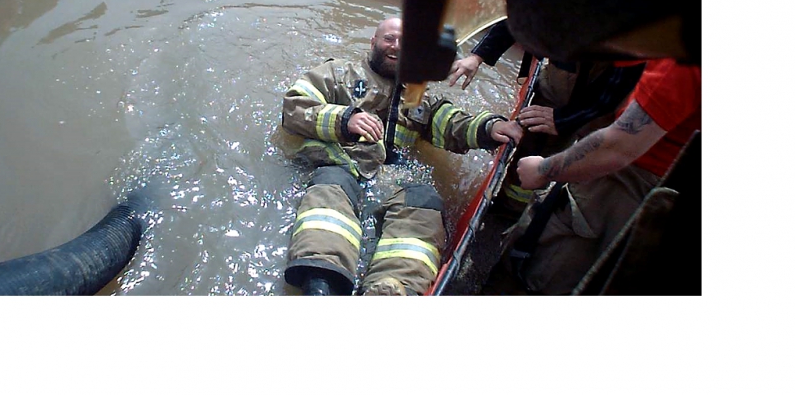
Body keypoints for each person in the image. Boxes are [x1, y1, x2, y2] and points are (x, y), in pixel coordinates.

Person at [280, 17, 523, 296]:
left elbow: (453, 123)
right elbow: (294, 108)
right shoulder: (336, 74)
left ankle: (392, 288)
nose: (395, 47)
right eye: (389, 39)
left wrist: (491, 127)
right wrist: (344, 119)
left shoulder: (419, 95)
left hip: (393, 176)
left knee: (425, 199)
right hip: (341, 165)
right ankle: (322, 282)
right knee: (330, 187)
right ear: (373, 42)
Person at [482, 56, 700, 295]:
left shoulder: (687, 58)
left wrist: (544, 169)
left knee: (537, 269)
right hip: (665, 185)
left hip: (622, 182)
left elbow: (620, 145)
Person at [448, 20, 646, 215]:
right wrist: (476, 57)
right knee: (532, 143)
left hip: (601, 103)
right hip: (561, 81)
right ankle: (509, 205)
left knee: (590, 161)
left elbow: (614, 90)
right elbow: (516, 21)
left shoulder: (632, 27)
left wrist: (563, 120)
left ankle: (521, 213)